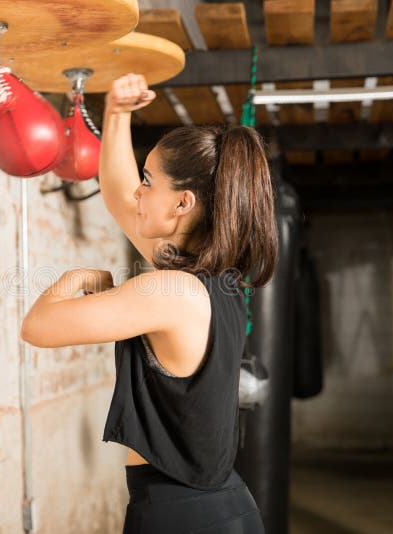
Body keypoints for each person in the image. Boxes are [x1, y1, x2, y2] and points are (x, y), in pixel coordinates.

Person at [21, 73, 277, 533]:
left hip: (181, 515)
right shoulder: (217, 280)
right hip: (224, 506)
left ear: (182, 203)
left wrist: (75, 276)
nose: (138, 192)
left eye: (148, 181)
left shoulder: (170, 292)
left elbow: (37, 326)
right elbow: (121, 199)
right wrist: (116, 114)